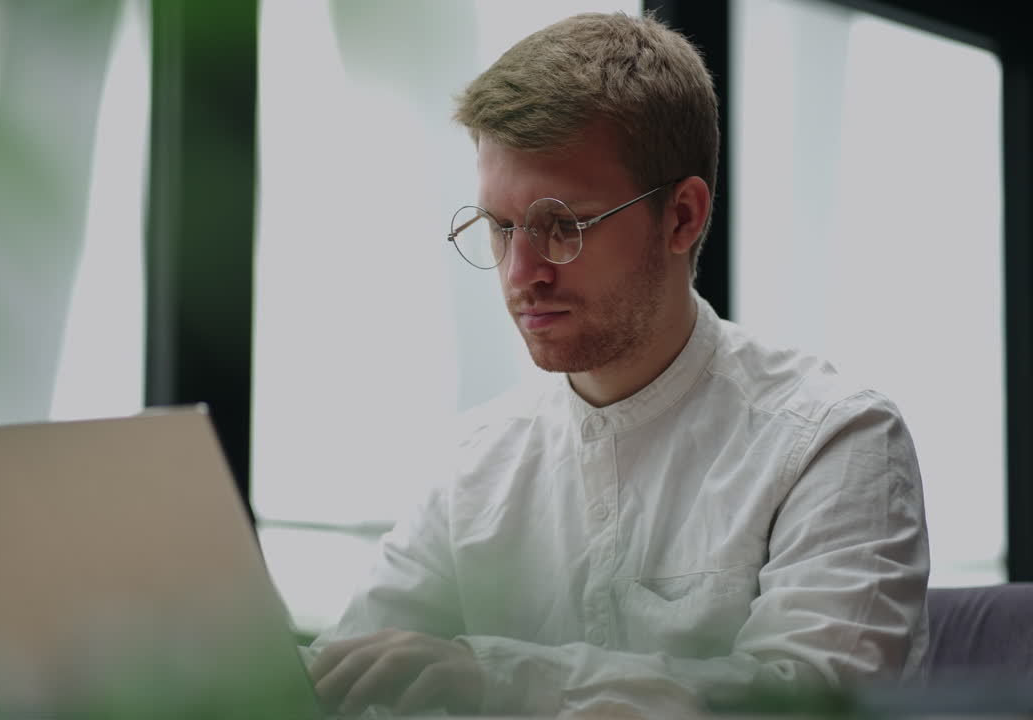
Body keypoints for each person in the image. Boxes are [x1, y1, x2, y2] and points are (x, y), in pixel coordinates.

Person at [307, 11, 929, 718]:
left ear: (682, 217)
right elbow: (349, 675)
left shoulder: (833, 439)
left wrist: (498, 680)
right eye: (502, 227)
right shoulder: (475, 466)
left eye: (563, 225)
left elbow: (809, 700)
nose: (521, 273)